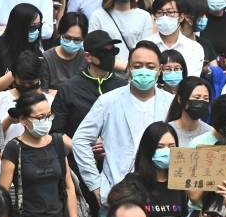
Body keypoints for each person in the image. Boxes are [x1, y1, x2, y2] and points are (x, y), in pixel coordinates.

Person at [73, 40, 173, 208]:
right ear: (128, 68)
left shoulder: (171, 103)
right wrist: (96, 185)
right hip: (117, 192)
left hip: (161, 194)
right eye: (137, 65)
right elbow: (80, 140)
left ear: (160, 69)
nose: (144, 71)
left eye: (150, 66)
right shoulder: (108, 101)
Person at [0, 90, 80, 217]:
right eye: (40, 118)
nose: (46, 121)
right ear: (23, 120)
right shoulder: (14, 148)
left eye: (49, 116)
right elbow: (2, 194)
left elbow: (69, 187)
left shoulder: (57, 142)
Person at [49, 29, 127, 140]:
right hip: (78, 155)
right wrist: (83, 150)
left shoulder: (123, 87)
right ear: (87, 56)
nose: (110, 56)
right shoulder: (69, 88)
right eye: (103, 52)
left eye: (113, 51)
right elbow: (56, 131)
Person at [90, 0, 155, 70]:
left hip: (135, 75)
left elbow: (145, 50)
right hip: (107, 75)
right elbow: (95, 50)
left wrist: (133, 70)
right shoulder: (98, 16)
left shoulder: (144, 16)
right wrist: (126, 68)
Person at [150, 0, 205, 77]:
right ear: (154, 17)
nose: (165, 17)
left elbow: (191, 80)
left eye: (170, 12)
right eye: (159, 13)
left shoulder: (194, 48)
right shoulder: (145, 46)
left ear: (181, 17)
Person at [43, 13, 88, 91]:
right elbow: (43, 92)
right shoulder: (47, 58)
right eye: (67, 38)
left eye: (77, 40)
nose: (71, 43)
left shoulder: (87, 58)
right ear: (60, 33)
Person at [164, 75, 212, 147]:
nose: (201, 102)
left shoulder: (210, 132)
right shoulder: (167, 131)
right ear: (180, 99)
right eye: (197, 97)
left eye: (206, 98)